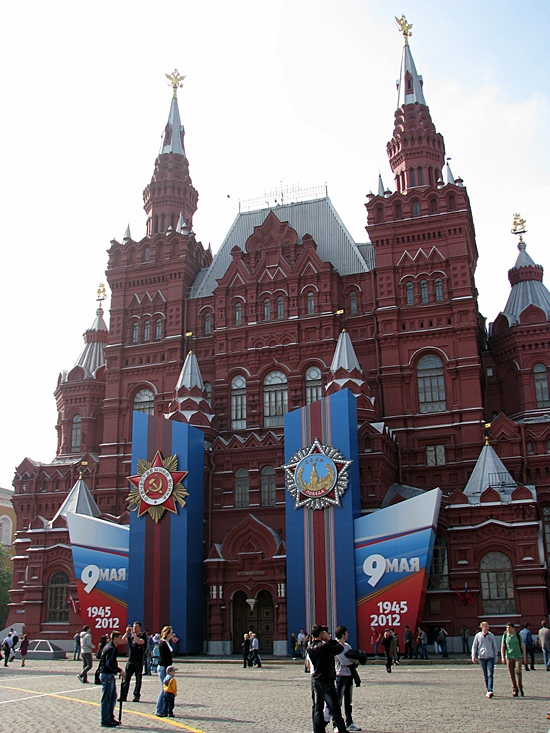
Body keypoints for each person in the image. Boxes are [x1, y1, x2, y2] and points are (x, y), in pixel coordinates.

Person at [307, 625, 347, 733]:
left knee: (317, 707)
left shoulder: (310, 647)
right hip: (326, 680)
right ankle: (342, 729)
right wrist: (329, 639)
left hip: (316, 680)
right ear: (321, 634)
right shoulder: (324, 647)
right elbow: (339, 648)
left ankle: (318, 730)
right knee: (334, 708)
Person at [334, 626, 361, 732]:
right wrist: (353, 662)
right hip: (340, 675)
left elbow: (354, 656)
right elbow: (343, 661)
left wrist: (356, 660)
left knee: (348, 701)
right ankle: (336, 724)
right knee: (338, 701)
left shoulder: (347, 646)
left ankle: (349, 722)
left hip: (349, 675)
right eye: (346, 633)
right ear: (342, 634)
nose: (347, 635)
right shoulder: (336, 646)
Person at [98, 631, 126, 727]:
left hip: (108, 675)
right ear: (115, 639)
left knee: (113, 696)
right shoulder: (111, 649)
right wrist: (118, 670)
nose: (121, 640)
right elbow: (109, 663)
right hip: (107, 675)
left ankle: (110, 717)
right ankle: (105, 719)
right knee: (107, 698)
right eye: (120, 638)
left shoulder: (111, 647)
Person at [119, 621, 146, 702]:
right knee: (126, 678)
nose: (134, 628)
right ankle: (123, 695)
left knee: (138, 679)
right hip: (130, 660)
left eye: (136, 627)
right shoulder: (130, 637)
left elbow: (140, 642)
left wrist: (134, 635)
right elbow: (122, 641)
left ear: (140, 628)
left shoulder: (142, 635)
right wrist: (126, 633)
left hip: (138, 661)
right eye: (133, 627)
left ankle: (136, 695)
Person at [471, 621, 499, 698]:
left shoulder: (491, 635)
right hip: (481, 657)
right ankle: (488, 689)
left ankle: (490, 690)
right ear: (482, 627)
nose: (487, 627)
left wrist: (496, 657)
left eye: (488, 626)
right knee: (485, 674)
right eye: (485, 626)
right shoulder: (478, 636)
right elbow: (474, 646)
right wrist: (473, 656)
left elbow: (494, 647)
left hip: (490, 657)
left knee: (490, 674)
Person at [501, 622, 527, 697]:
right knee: (511, 674)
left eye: (509, 628)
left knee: (518, 672)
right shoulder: (505, 635)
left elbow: (523, 646)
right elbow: (503, 647)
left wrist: (524, 657)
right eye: (507, 628)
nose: (508, 629)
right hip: (509, 657)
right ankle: (515, 689)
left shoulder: (517, 635)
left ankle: (520, 687)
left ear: (513, 628)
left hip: (518, 656)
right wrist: (503, 657)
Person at [156, 626, 177, 716]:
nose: (173, 634)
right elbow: (164, 658)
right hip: (163, 668)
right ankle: (159, 709)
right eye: (171, 632)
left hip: (166, 667)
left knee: (166, 689)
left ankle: (164, 709)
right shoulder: (163, 643)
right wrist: (168, 670)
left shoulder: (167, 642)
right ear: (167, 633)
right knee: (164, 689)